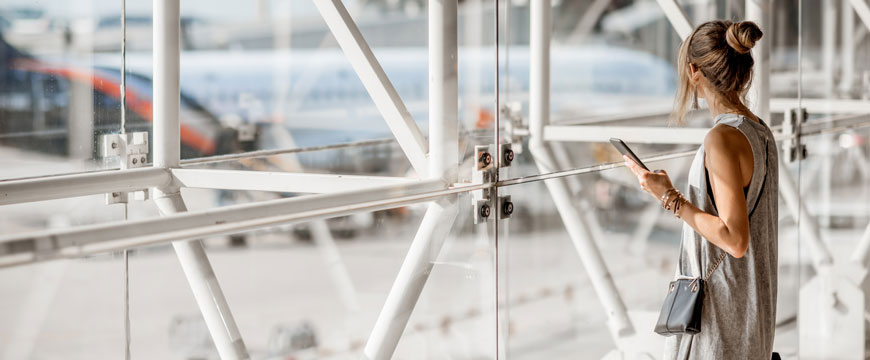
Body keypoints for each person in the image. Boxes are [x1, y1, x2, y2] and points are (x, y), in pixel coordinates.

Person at [623, 20, 779, 359]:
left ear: (695, 72)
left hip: (720, 321)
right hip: (750, 314)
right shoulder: (761, 132)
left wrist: (668, 197)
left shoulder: (721, 138)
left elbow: (734, 239)